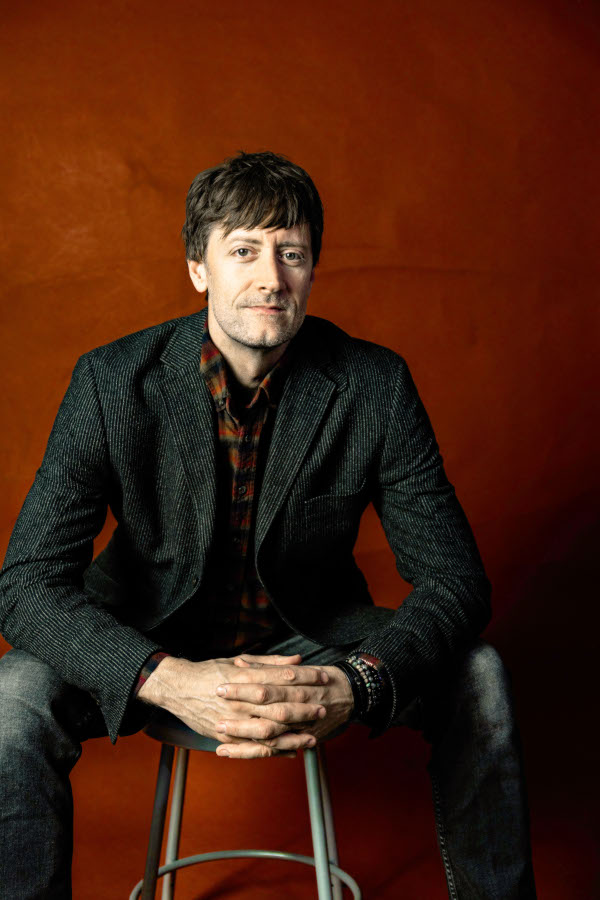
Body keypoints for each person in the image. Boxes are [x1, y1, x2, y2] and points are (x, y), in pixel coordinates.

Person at [0, 150, 537, 898]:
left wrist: (359, 682)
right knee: (12, 699)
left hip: (310, 637)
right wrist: (164, 678)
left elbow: (456, 582)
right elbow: (26, 585)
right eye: (245, 251)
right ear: (199, 269)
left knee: (479, 673)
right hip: (148, 632)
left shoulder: (374, 384)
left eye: (292, 254)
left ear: (312, 270)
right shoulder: (112, 382)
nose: (272, 279)